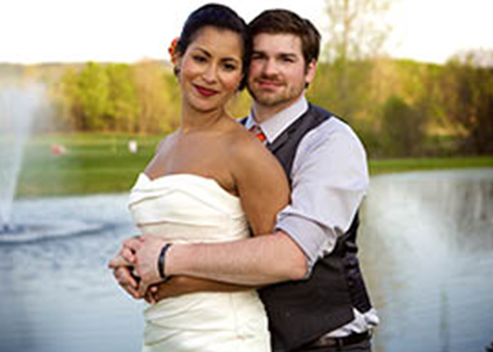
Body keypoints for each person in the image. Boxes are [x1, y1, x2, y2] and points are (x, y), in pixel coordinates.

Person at [111, 8, 379, 352]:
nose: (270, 70)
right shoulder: (223, 136)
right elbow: (212, 228)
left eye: (286, 59)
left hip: (324, 344)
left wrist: (166, 262)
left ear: (310, 70)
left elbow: (292, 256)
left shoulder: (330, 141)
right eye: (259, 57)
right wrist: (137, 260)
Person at [109, 4, 291, 351]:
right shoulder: (164, 146)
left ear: (240, 77)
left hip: (225, 337)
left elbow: (279, 266)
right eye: (201, 58)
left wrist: (172, 281)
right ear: (176, 54)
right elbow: (175, 233)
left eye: (227, 66)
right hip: (162, 334)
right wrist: (132, 263)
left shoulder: (247, 154)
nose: (210, 76)